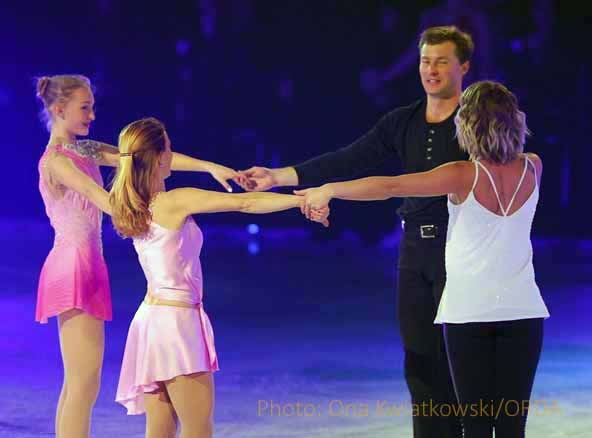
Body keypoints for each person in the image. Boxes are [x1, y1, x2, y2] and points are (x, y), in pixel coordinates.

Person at [236, 26, 473, 437]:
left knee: (464, 363)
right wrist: (278, 175)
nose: (431, 70)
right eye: (425, 61)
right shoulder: (402, 121)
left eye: (441, 61)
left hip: (463, 250)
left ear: (464, 67)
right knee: (420, 362)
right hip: (415, 252)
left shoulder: (476, 123)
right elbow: (350, 158)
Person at [294, 80, 549, 438]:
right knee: (511, 427)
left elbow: (390, 186)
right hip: (524, 313)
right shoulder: (533, 167)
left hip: (469, 313)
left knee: (476, 425)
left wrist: (331, 189)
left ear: (468, 125)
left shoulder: (461, 175)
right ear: (515, 122)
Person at [35, 74, 240, 438]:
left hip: (88, 263)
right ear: (59, 109)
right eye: (85, 108)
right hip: (73, 265)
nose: (92, 115)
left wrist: (209, 167)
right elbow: (104, 199)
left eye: (92, 107)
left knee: (81, 382)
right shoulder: (56, 161)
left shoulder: (84, 149)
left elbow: (146, 157)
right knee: (83, 383)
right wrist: (161, 209)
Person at [109, 117, 326, 438]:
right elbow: (245, 203)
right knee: (198, 430)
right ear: (158, 157)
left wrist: (210, 167)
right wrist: (302, 200)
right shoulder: (173, 201)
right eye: (169, 148)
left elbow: (126, 155)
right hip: (176, 324)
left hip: (150, 321)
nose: (173, 155)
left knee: (160, 429)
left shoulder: (133, 204)